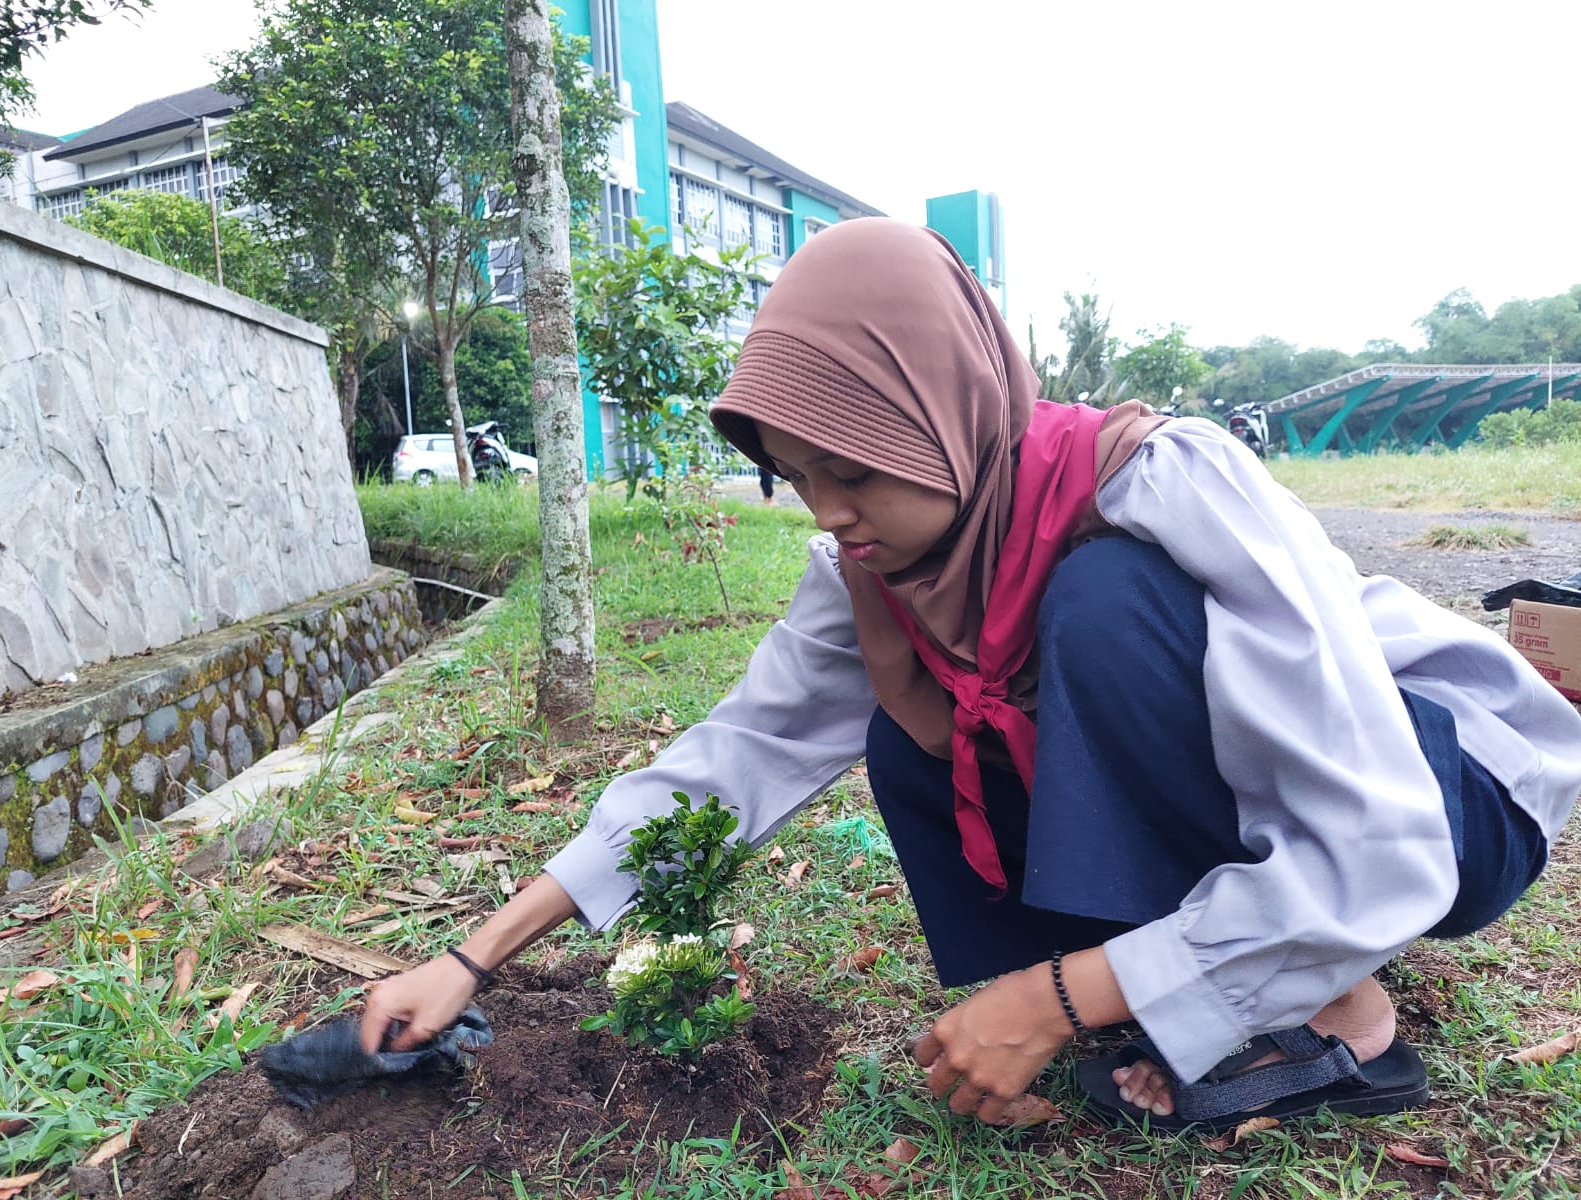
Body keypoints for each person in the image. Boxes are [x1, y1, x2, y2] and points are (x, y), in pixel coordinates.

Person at [362, 219, 1581, 1131]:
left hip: (1449, 800)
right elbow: (738, 754)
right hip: (1332, 817)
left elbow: (1382, 842)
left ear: (944, 411)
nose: (828, 511)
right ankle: (1192, 985)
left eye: (854, 470)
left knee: (1102, 608)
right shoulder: (872, 568)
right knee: (910, 733)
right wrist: (470, 958)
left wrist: (1049, 1001)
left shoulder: (1160, 486)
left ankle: (1345, 1015)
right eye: (797, 475)